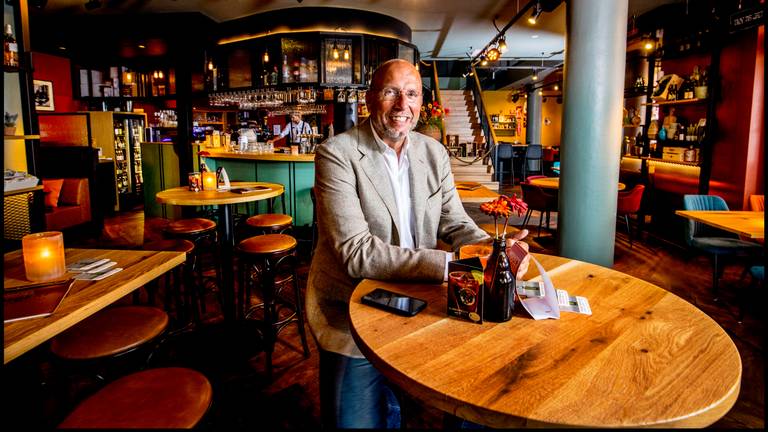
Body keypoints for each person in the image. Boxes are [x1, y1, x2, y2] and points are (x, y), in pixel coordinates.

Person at [306, 58, 531, 429]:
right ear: (369, 99)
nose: (401, 105)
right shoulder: (337, 154)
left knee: (475, 403)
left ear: (421, 101)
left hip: (419, 299)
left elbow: (455, 221)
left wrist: (495, 249)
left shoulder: (433, 152)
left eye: (410, 94)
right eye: (390, 92)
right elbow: (356, 252)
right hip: (351, 308)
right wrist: (452, 266)